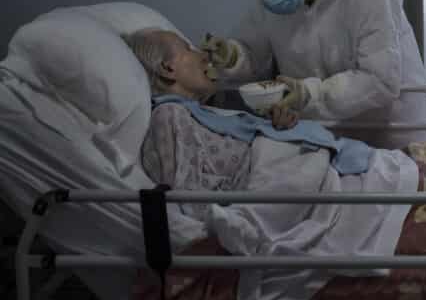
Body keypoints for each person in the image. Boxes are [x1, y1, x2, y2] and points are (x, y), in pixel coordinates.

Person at [202, 0, 426, 150]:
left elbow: (380, 80)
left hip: (387, 130)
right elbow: (253, 52)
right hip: (324, 135)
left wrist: (310, 94)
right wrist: (232, 56)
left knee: (392, 179)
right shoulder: (273, 0)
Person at [124, 27, 373, 218]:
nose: (203, 55)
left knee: (398, 175)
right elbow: (187, 196)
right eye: (188, 49)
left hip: (331, 165)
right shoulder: (169, 115)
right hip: (310, 186)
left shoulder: (206, 113)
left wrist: (282, 129)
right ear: (168, 68)